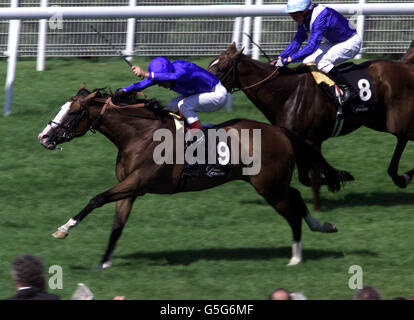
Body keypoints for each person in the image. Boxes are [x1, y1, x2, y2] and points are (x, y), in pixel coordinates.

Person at [116, 57, 228, 143]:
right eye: (158, 82)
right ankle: (182, 133)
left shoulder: (183, 70)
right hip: (202, 93)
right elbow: (140, 84)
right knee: (172, 106)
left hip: (217, 94)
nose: (160, 85)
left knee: (184, 105)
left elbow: (174, 77)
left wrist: (145, 73)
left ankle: (199, 136)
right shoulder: (165, 75)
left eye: (161, 82)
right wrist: (122, 92)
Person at [271, 0, 362, 106]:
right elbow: (297, 41)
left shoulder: (321, 17)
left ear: (304, 11)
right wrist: (281, 57)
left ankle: (349, 91)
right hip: (334, 42)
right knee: (307, 61)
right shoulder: (304, 18)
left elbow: (311, 47)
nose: (293, 17)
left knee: (322, 62)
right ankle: (324, 90)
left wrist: (289, 60)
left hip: (350, 42)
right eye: (291, 14)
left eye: (294, 14)